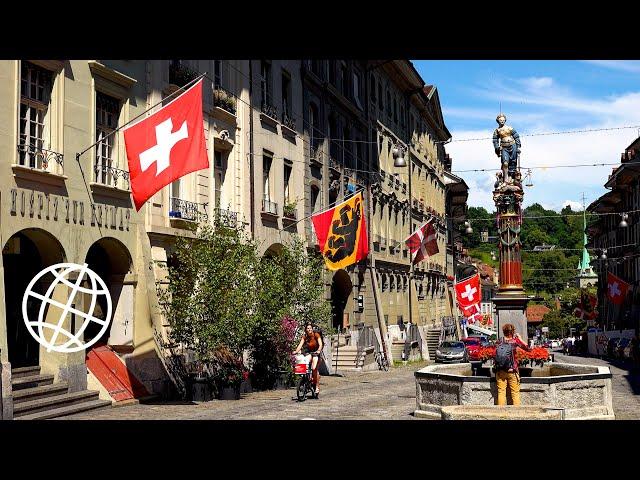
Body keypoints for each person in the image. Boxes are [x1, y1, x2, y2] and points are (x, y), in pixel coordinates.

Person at [495, 323, 531, 406]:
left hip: (501, 370)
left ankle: (501, 414)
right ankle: (516, 414)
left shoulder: (499, 340)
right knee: (515, 393)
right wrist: (520, 339)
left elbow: (495, 353)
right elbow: (529, 349)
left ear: (504, 331)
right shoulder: (515, 341)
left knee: (501, 392)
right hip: (512, 370)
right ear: (513, 331)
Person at [293, 323, 323, 395]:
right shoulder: (305, 337)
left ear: (312, 329)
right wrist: (296, 351)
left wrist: (319, 350)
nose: (309, 330)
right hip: (309, 353)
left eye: (310, 328)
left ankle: (316, 386)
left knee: (313, 368)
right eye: (308, 328)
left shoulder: (316, 335)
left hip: (316, 354)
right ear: (306, 330)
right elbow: (300, 345)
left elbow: (320, 344)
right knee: (304, 363)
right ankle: (304, 379)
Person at [492, 113, 521, 182]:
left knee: (513, 162)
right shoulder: (497, 130)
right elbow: (495, 140)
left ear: (505, 120)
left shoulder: (509, 128)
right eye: (500, 120)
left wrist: (518, 146)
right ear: (498, 121)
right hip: (504, 148)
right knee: (505, 163)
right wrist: (497, 147)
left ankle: (511, 177)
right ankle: (505, 179)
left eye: (503, 120)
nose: (502, 121)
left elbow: (516, 136)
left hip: (512, 145)